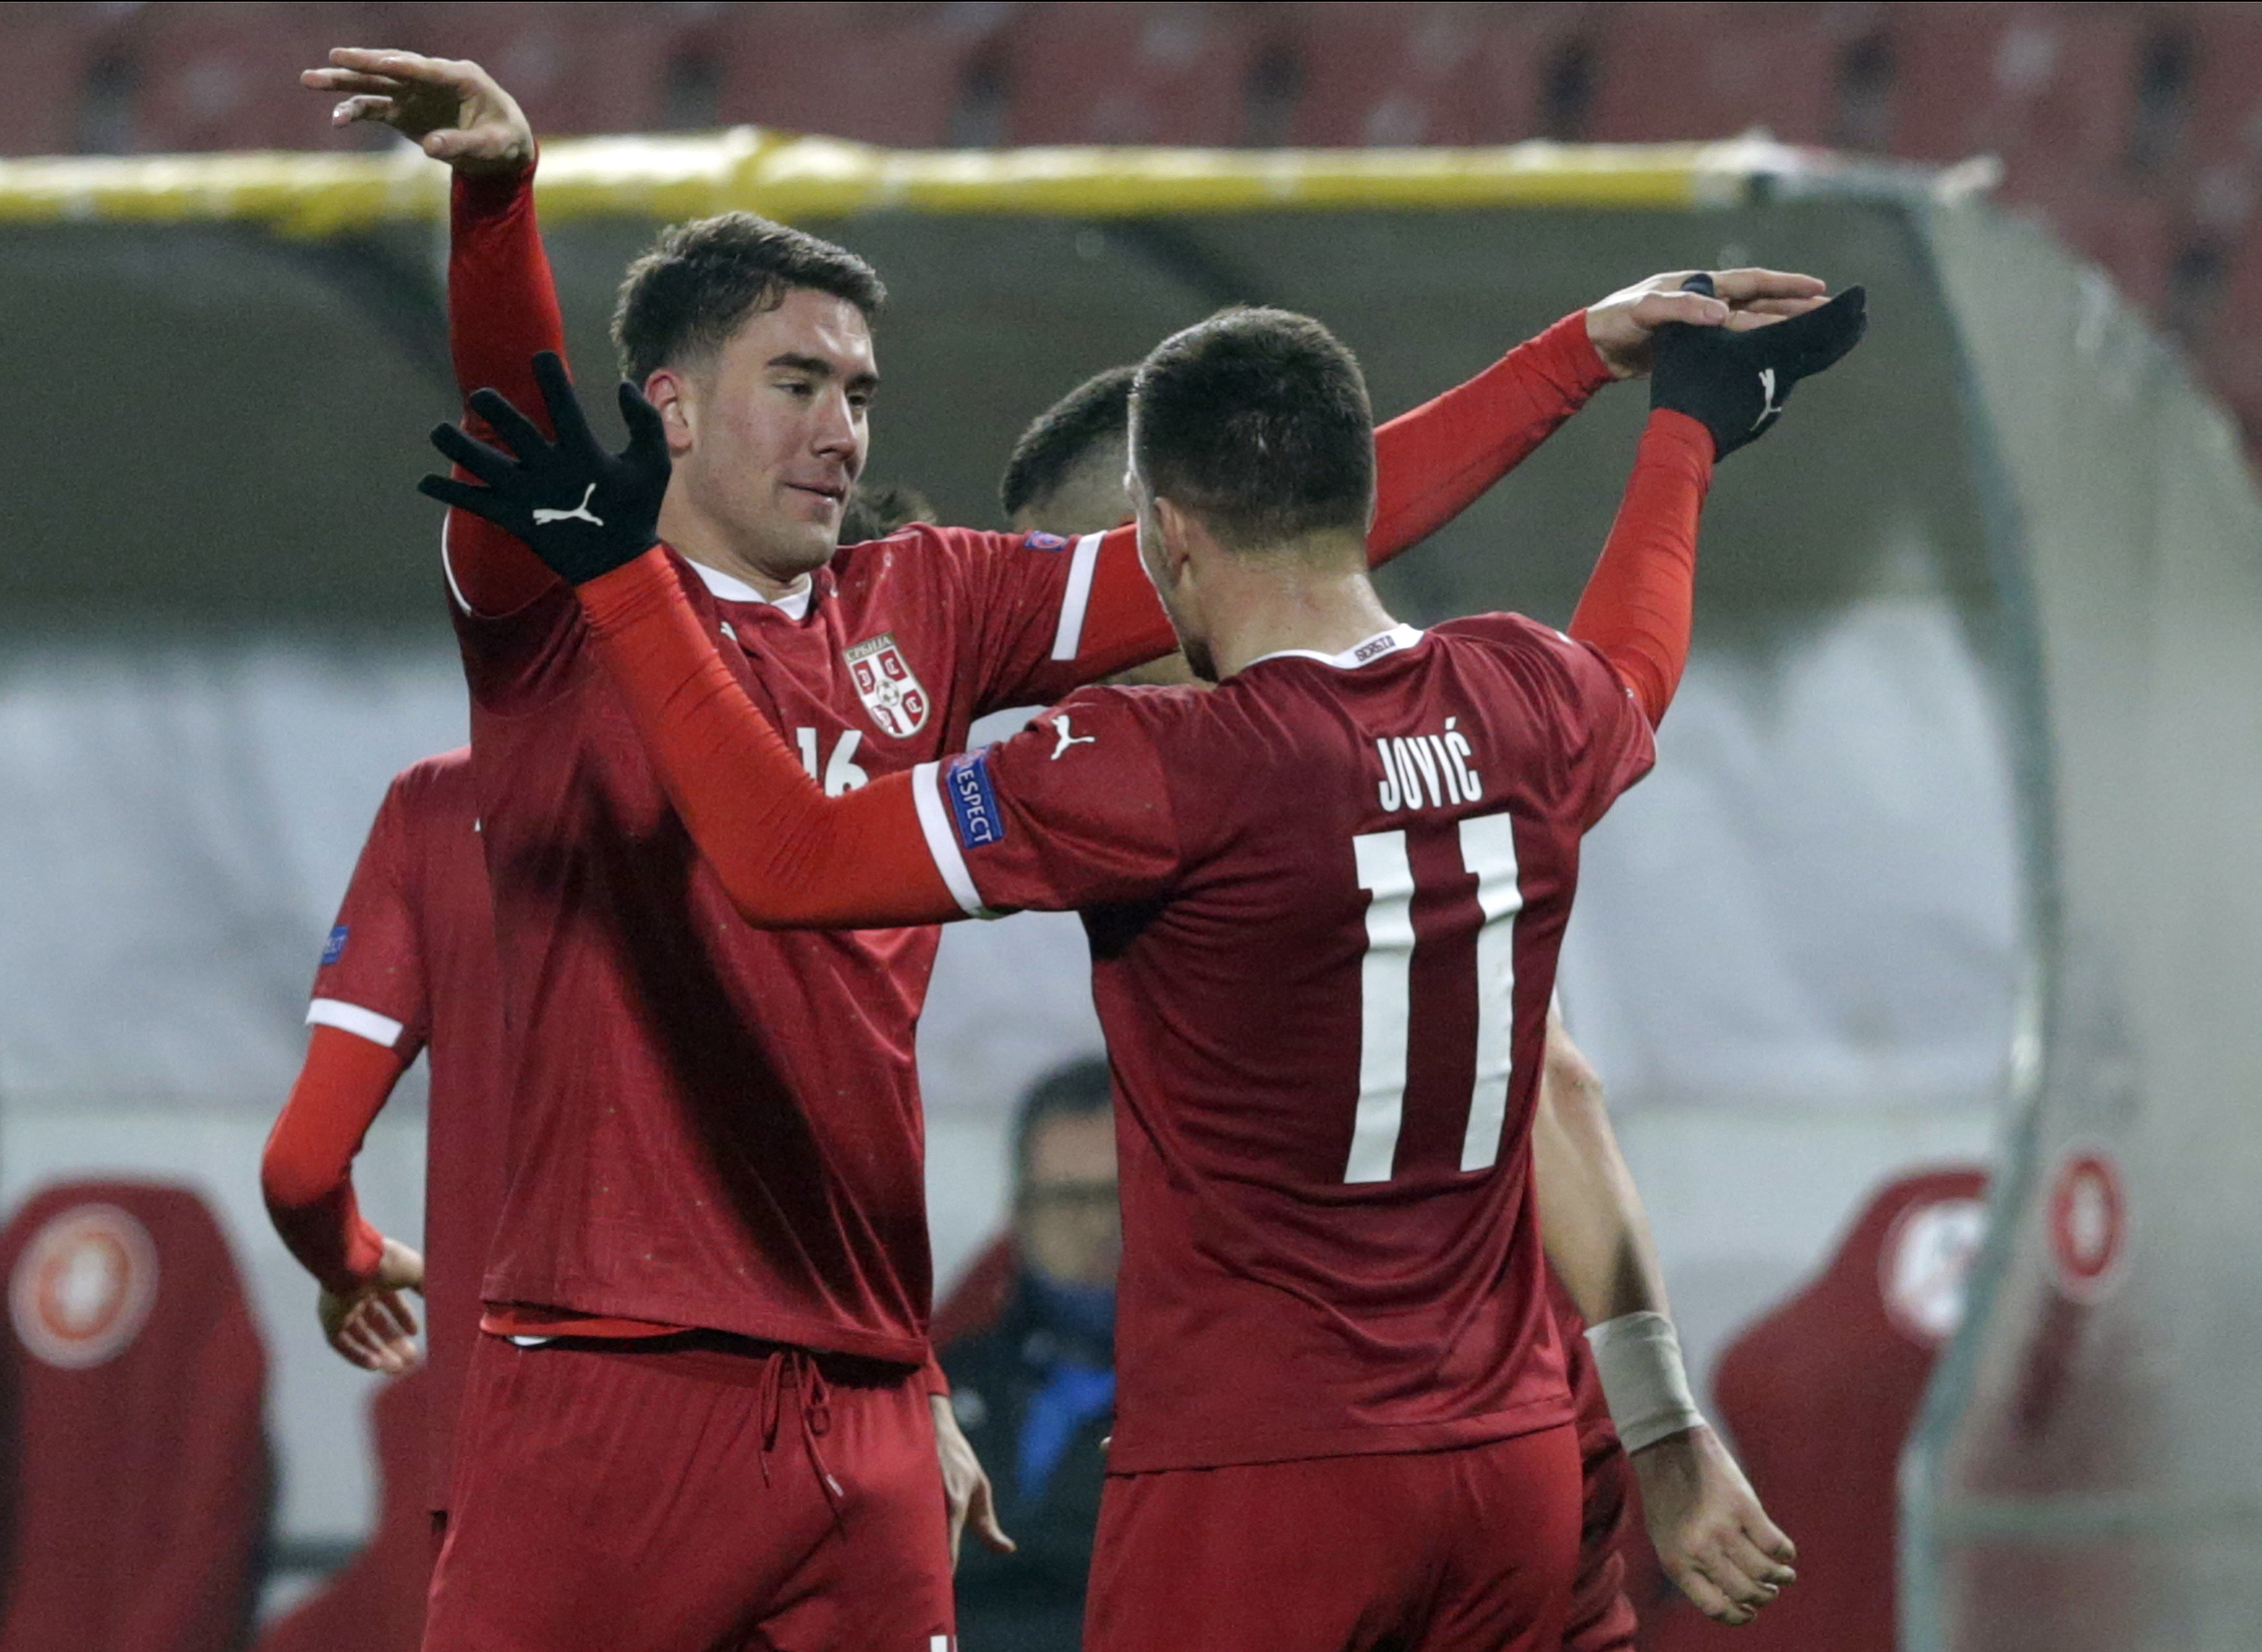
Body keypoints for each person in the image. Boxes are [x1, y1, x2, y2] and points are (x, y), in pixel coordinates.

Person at [309, 45, 1826, 1651]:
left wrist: (1573, 359)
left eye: (863, 391)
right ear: (667, 405)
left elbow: (1289, 534)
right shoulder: (558, 602)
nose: (842, 425)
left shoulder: (947, 608)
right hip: (614, 1368)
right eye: (799, 382)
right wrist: (497, 203)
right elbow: (515, 416)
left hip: (883, 1395)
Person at [999, 370, 1676, 1648]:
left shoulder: (1174, 783)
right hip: (1518, 1452)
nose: (1048, 656)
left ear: (1163, 547)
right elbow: (1556, 1084)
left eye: (1064, 604)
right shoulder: (1455, 748)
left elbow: (1554, 1102)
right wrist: (1664, 1428)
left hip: (1294, 1477)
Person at [260, 748, 507, 1554]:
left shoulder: (440, 807)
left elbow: (302, 1173)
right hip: (794, 1431)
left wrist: (352, 1263)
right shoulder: (792, 797)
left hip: (524, 1441)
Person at [940, 1059, 1121, 1652]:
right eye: (1069, 1199)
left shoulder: (1225, 1408)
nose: (1099, 1225)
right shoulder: (938, 1389)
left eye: (1120, 1196)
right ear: (1019, 1213)